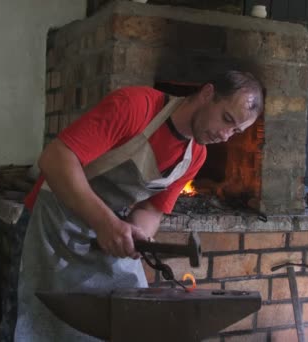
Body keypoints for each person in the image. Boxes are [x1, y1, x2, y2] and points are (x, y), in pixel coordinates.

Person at [13, 70, 265, 341]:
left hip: (107, 231)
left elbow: (152, 208)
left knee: (132, 323)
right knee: (35, 324)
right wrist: (105, 223)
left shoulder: (195, 157)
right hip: (53, 223)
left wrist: (136, 234)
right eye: (227, 119)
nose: (225, 136)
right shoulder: (135, 106)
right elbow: (55, 159)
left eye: (236, 131)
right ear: (207, 94)